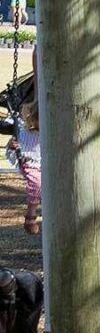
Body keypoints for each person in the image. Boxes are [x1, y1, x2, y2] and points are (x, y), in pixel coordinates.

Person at [13, 87, 36, 236]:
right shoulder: (25, 133)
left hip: (45, 161)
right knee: (37, 180)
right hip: (30, 162)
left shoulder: (49, 131)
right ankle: (31, 213)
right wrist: (13, 146)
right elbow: (14, 147)